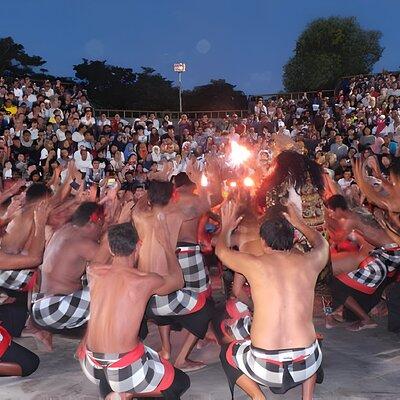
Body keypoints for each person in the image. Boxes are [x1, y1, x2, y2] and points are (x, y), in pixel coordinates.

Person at [217, 202, 328, 400]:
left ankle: (258, 397)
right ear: (293, 239)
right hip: (307, 363)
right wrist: (300, 223)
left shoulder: (253, 264)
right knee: (314, 341)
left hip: (266, 367)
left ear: (263, 242)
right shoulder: (311, 262)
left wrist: (226, 226)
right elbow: (322, 243)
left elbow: (221, 251)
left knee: (228, 353)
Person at [78, 221, 190, 399]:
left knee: (143, 350)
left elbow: (100, 256)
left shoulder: (93, 271)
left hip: (90, 363)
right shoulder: (144, 280)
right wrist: (168, 246)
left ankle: (115, 388)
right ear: (138, 245)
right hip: (123, 368)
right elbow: (178, 281)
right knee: (181, 383)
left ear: (112, 250)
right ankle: (125, 393)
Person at [31, 202, 109, 334]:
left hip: (42, 307)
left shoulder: (64, 230)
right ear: (93, 222)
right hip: (54, 309)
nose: (101, 230)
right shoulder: (84, 244)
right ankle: (102, 344)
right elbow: (118, 260)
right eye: (101, 225)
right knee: (115, 285)